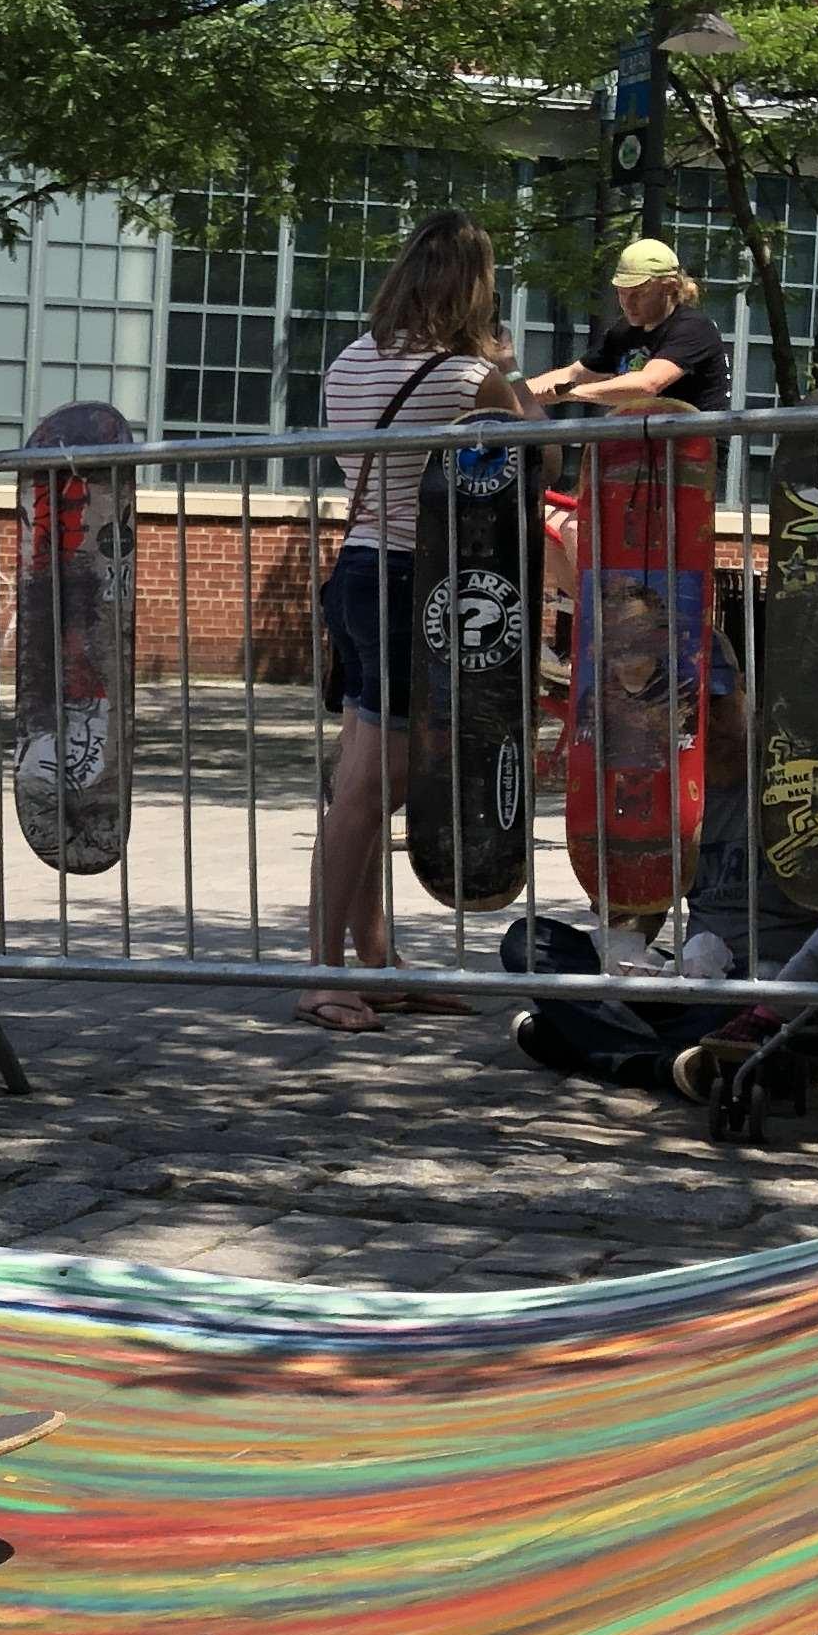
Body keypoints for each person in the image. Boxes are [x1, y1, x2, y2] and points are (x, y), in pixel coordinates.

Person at [302, 210, 531, 1033]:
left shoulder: (349, 361)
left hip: (359, 566)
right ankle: (324, 972)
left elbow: (349, 460)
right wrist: (512, 371)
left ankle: (374, 960)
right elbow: (535, 449)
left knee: (359, 780)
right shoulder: (470, 378)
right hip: (413, 578)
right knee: (369, 789)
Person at [529, 234, 731, 419]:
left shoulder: (693, 327)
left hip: (690, 449)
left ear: (669, 287)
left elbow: (647, 384)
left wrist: (571, 392)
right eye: (622, 293)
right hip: (640, 443)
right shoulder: (623, 332)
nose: (628, 303)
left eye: (639, 293)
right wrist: (514, 395)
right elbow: (573, 374)